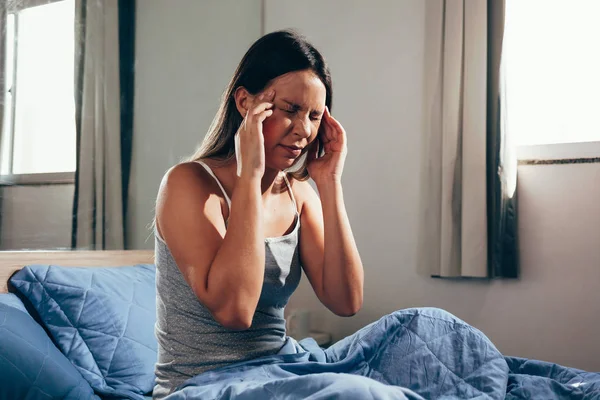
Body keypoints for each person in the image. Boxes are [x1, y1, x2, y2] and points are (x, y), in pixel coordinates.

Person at [152, 29, 364, 398]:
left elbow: (346, 301)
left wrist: (329, 184)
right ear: (245, 103)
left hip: (281, 368)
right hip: (205, 384)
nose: (304, 130)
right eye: (290, 110)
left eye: (315, 116)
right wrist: (250, 174)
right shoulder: (187, 185)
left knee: (427, 329)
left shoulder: (299, 195)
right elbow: (235, 311)